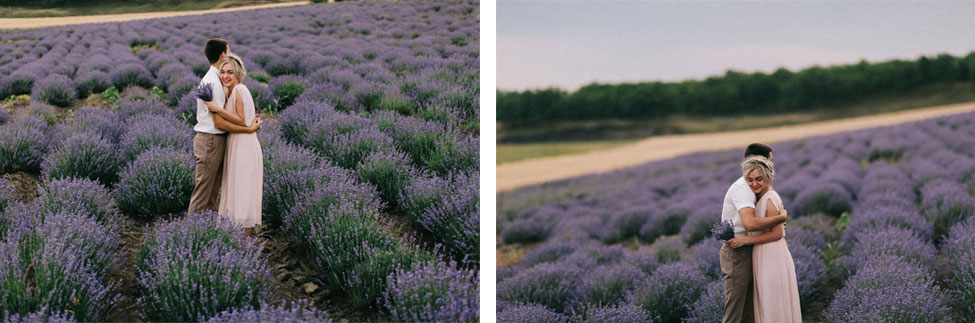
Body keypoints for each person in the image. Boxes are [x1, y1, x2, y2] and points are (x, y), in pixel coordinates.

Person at [188, 38, 260, 215]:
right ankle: (194, 231)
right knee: (203, 191)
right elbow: (218, 122)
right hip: (210, 140)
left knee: (212, 191)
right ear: (223, 54)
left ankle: (206, 230)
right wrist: (248, 129)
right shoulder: (211, 82)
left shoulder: (216, 79)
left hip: (216, 140)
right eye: (228, 50)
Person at [728, 156, 802, 323]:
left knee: (773, 302)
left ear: (768, 177)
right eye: (750, 180)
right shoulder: (760, 197)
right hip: (763, 254)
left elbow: (777, 234)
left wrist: (745, 241)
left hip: (772, 255)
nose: (754, 184)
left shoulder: (770, 198)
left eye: (759, 179)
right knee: (766, 302)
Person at [720, 143, 787, 323]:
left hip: (751, 247)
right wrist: (781, 218)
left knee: (750, 310)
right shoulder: (744, 188)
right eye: (770, 161)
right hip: (737, 251)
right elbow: (749, 224)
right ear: (758, 161)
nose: (772, 165)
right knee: (735, 310)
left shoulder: (754, 186)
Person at [202, 54, 263, 238]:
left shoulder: (239, 90)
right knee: (239, 189)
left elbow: (243, 121)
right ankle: (240, 239)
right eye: (222, 72)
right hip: (238, 144)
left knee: (243, 189)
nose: (225, 76)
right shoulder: (232, 91)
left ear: (238, 74)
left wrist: (216, 108)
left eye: (230, 72)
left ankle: (243, 241)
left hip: (243, 146)